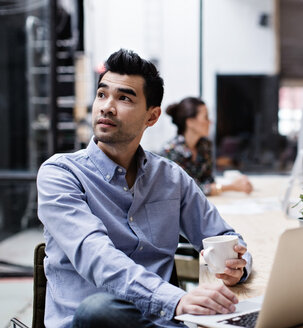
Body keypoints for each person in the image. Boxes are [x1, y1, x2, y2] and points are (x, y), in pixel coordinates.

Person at [37, 49, 252, 328]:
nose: (106, 107)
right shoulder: (60, 174)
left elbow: (223, 235)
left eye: (124, 98)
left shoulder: (171, 177)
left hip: (161, 321)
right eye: (102, 95)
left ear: (152, 117)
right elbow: (98, 258)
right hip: (92, 322)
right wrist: (175, 300)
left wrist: (239, 265)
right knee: (98, 310)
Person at [162, 97, 253, 196]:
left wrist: (237, 182)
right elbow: (186, 190)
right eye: (206, 117)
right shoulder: (171, 150)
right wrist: (232, 187)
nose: (210, 122)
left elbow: (209, 181)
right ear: (190, 122)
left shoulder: (205, 145)